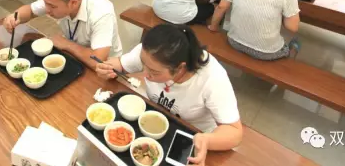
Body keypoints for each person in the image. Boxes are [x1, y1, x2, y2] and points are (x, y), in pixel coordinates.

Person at [96, 24, 242, 163]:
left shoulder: (212, 78)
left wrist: (206, 140)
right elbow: (120, 64)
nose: (145, 74)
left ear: (180, 68)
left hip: (192, 139)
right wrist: (107, 68)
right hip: (155, 123)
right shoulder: (151, 53)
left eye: (154, 72)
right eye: (143, 64)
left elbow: (235, 132)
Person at [4, 0, 123, 68]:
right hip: (75, 54)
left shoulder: (101, 13)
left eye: (52, 6)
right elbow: (30, 11)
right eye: (44, 2)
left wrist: (67, 44)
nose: (46, 9)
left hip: (107, 68)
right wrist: (15, 16)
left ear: (73, 3)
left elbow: (98, 59)